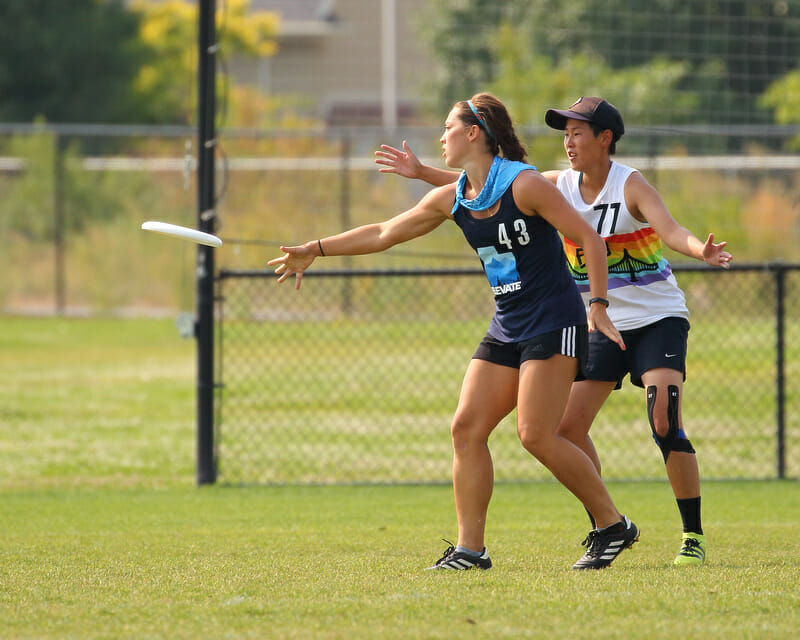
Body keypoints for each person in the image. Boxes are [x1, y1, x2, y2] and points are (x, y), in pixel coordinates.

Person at [269, 92, 639, 571]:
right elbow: (384, 233)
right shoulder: (455, 196)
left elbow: (588, 238)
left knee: (535, 435)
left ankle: (613, 525)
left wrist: (600, 305)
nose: (441, 136)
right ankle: (470, 550)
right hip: (508, 324)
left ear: (473, 133)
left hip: (554, 318)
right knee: (466, 428)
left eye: (448, 126)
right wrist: (316, 249)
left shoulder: (524, 186)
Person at [374, 96, 733, 566]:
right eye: (564, 134)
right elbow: (489, 188)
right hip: (595, 321)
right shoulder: (552, 183)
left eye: (577, 133)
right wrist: (423, 174)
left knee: (662, 419)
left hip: (652, 316)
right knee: (559, 428)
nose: (567, 142)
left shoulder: (631, 184)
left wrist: (697, 249)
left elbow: (669, 230)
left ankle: (691, 535)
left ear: (605, 139)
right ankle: (606, 526)